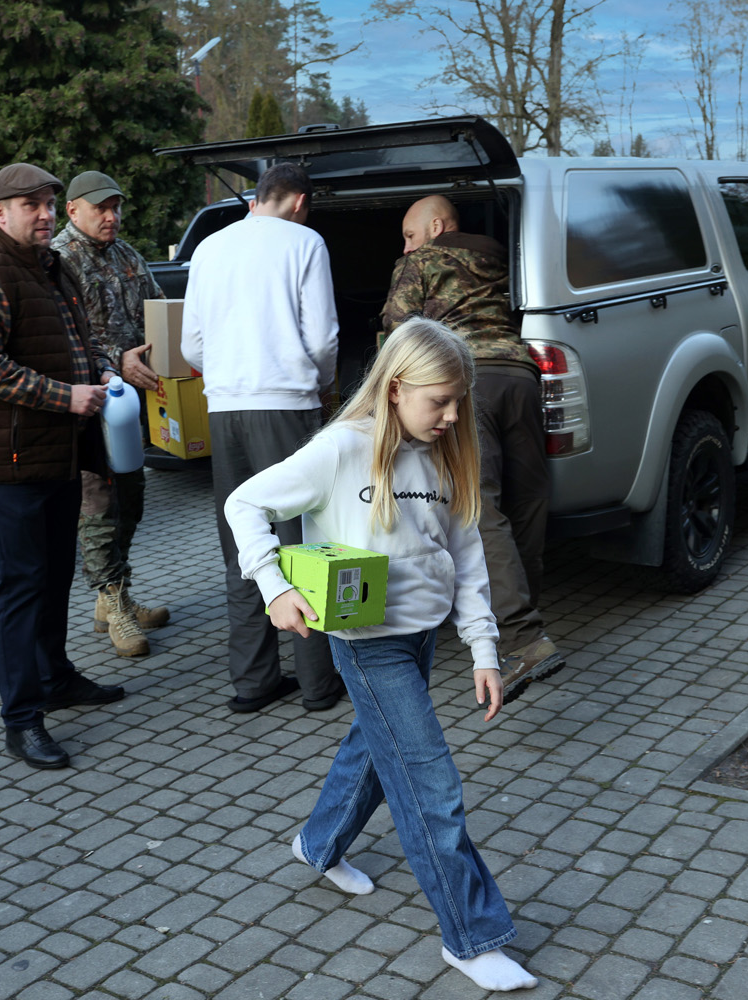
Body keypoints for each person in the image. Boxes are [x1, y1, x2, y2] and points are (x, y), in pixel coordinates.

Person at [224, 318, 537, 992]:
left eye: (459, 401)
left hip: (421, 638)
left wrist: (484, 648)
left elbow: (468, 556)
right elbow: (243, 503)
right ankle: (471, 938)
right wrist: (274, 586)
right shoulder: (341, 450)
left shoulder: (447, 454)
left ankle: (317, 844)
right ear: (395, 388)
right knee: (430, 788)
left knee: (373, 749)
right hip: (368, 646)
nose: (452, 416)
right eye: (439, 401)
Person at [0, 162, 126, 770]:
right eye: (31, 205)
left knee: (53, 577)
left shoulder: (53, 266)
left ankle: (56, 678)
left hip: (56, 453)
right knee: (20, 588)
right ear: (0, 213)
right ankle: (22, 720)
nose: (45, 214)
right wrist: (65, 396)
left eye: (49, 203)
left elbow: (77, 340)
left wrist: (102, 369)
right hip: (8, 460)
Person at [381, 194, 563, 704]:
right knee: (527, 501)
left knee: (481, 507)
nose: (406, 246)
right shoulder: (501, 258)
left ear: (438, 226)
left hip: (468, 383)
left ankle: (523, 637)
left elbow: (399, 331)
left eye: (410, 235)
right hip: (520, 377)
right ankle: (521, 626)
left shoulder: (420, 262)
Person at [181, 163, 344, 713]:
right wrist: (321, 386)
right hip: (287, 406)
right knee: (301, 541)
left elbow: (191, 345)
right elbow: (322, 338)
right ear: (299, 201)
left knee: (241, 540)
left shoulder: (209, 248)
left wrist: (229, 374)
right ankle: (318, 684)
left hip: (224, 409)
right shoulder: (305, 242)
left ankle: (253, 682)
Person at [50, 169, 170, 658]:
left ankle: (112, 596)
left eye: (115, 207)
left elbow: (158, 311)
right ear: (73, 210)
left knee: (132, 497)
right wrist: (118, 360)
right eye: (100, 208)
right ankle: (114, 602)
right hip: (89, 404)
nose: (111, 216)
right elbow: (63, 336)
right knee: (98, 505)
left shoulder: (127, 255)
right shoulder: (58, 260)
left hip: (129, 405)